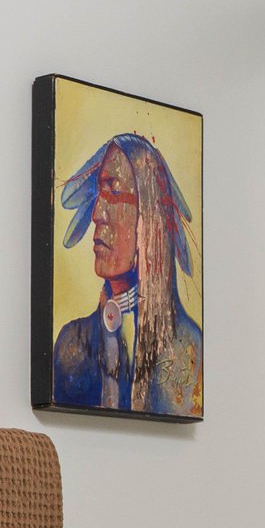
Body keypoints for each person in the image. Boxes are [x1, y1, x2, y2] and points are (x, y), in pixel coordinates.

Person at [49, 132, 201, 416]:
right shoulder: (71, 346)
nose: (97, 213)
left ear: (151, 215)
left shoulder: (190, 348)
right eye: (98, 194)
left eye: (114, 192)